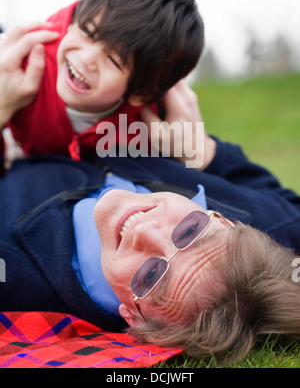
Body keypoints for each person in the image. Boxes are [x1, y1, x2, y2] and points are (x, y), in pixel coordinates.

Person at [1, 24, 300, 366]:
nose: (145, 230)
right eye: (189, 230)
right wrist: (203, 152)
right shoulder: (278, 223)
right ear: (226, 222)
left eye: (151, 276)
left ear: (133, 317)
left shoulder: (13, 275)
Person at [0, 0, 204, 161]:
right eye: (88, 33)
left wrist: (192, 154)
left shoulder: (148, 125)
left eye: (114, 61)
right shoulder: (23, 65)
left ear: (141, 94)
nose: (87, 59)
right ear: (74, 21)